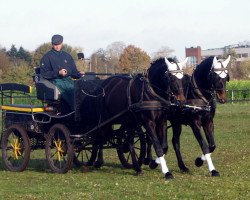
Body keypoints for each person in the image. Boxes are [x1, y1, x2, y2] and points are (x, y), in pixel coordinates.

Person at [40, 34, 84, 111]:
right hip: (55, 80)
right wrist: (58, 73)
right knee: (71, 93)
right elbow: (44, 74)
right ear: (52, 44)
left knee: (82, 89)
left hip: (68, 80)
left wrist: (79, 74)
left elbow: (73, 72)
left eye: (58, 44)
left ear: (62, 43)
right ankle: (76, 112)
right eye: (55, 44)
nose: (57, 46)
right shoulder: (47, 57)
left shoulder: (67, 56)